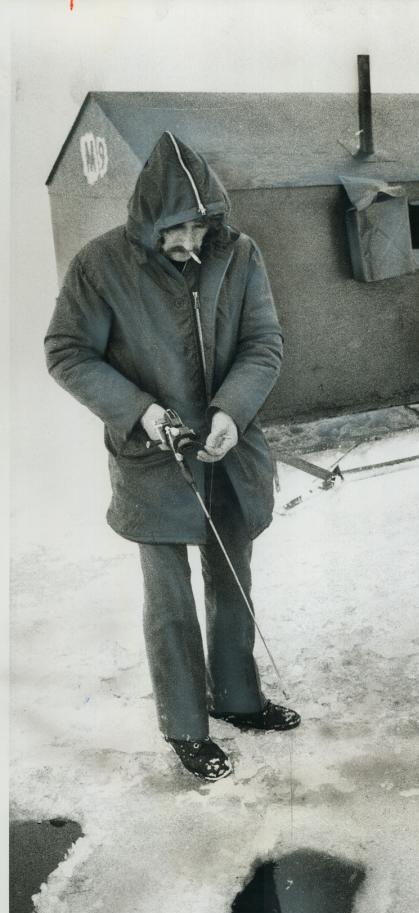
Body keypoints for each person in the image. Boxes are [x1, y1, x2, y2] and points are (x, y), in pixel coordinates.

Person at [45, 131, 300, 782]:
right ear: (147, 224)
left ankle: (239, 700)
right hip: (151, 458)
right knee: (170, 602)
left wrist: (231, 413)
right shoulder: (99, 266)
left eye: (198, 228)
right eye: (173, 232)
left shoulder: (240, 256)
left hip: (225, 451)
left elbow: (264, 343)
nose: (189, 244)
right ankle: (186, 727)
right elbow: (68, 352)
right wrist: (140, 411)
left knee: (233, 580)